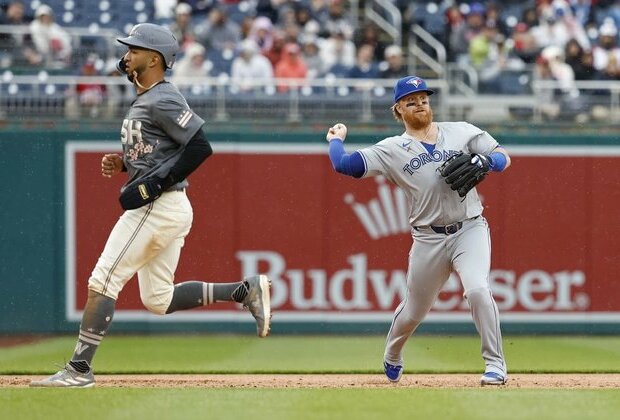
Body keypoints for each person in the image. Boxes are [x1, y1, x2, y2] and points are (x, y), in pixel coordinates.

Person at [30, 23, 271, 388]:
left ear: (154, 58)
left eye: (134, 50)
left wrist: (154, 183)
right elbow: (162, 150)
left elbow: (200, 147)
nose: (126, 56)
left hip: (158, 206)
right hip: (168, 207)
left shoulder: (164, 97)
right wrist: (126, 164)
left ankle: (79, 369)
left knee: (104, 279)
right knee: (158, 299)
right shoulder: (145, 98)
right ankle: (242, 290)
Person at [324, 76, 511, 386]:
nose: (420, 104)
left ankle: (495, 365)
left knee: (477, 289)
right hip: (428, 237)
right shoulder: (392, 149)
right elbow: (344, 165)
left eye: (423, 98)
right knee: (413, 310)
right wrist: (335, 139)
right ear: (398, 109)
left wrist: (487, 160)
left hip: (470, 228)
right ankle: (393, 353)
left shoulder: (461, 131)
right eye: (411, 101)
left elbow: (504, 157)